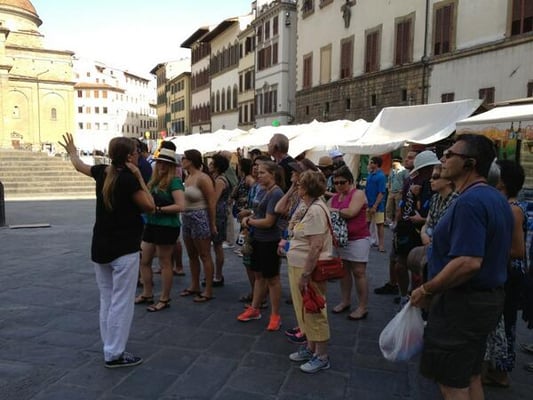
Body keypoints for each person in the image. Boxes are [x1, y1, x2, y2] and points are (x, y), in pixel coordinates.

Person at [410, 134, 513, 400]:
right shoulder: (494, 197)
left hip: (462, 304)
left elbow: (468, 262)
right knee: (470, 374)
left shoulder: (470, 202)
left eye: (450, 154)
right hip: (483, 301)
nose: (443, 159)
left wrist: (427, 289)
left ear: (469, 163)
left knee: (451, 382)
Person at [59, 133, 155, 368]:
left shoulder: (103, 172)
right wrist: (138, 176)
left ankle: (110, 346)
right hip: (124, 249)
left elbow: (80, 166)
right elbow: (150, 206)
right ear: (130, 156)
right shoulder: (128, 179)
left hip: (101, 246)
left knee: (107, 299)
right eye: (135, 152)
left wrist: (72, 151)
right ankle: (114, 353)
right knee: (121, 302)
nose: (138, 154)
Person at [483, 160, 527, 387]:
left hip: (510, 274)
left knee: (507, 322)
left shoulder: (513, 209)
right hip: (504, 270)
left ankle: (501, 373)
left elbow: (518, 250)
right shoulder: (504, 206)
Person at [286, 170, 333, 373]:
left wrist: (305, 274)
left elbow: (315, 246)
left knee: (314, 308)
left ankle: (321, 355)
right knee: (304, 308)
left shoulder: (315, 210)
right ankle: (311, 348)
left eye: (299, 184)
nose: (297, 186)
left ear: (306, 188)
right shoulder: (311, 206)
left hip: (308, 268)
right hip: (301, 265)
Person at [135, 148, 185, 312]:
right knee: (145, 260)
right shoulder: (154, 180)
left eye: (166, 163)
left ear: (171, 166)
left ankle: (164, 298)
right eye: (160, 162)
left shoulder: (175, 182)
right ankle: (147, 293)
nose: (162, 165)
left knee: (164, 263)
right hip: (152, 223)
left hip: (167, 226)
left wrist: (158, 209)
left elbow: (181, 206)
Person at [237, 160, 284, 331]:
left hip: (269, 240)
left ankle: (275, 315)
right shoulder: (263, 189)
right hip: (257, 237)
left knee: (272, 278)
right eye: (258, 172)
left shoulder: (276, 193)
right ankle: (255, 308)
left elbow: (269, 221)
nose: (258, 174)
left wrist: (249, 221)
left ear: (272, 174)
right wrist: (249, 215)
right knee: (258, 276)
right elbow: (258, 212)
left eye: (263, 172)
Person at [328, 166, 372, 320]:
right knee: (344, 271)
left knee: (359, 272)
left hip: (358, 238)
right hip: (341, 240)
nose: (339, 185)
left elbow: (351, 212)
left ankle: (362, 306)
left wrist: (333, 210)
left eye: (342, 182)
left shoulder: (358, 194)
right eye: (336, 183)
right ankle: (345, 301)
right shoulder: (334, 198)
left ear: (350, 181)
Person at [374, 150, 417, 295]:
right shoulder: (408, 178)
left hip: (413, 228)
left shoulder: (417, 180)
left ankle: (409, 293)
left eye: (411, 157)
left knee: (407, 262)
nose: (407, 159)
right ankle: (395, 286)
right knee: (395, 258)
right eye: (407, 157)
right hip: (402, 224)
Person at [180, 149, 217, 303]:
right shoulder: (188, 177)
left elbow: (211, 201)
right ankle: (195, 285)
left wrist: (212, 223)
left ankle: (208, 289)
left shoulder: (203, 178)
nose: (182, 160)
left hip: (200, 216)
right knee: (191, 254)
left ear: (191, 160)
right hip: (187, 217)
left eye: (184, 158)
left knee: (204, 254)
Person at [208, 153, 232, 286]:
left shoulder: (219, 181)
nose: (209, 165)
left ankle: (217, 275)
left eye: (212, 163)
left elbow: (214, 200)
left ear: (217, 167)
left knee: (217, 246)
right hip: (220, 213)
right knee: (217, 246)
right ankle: (216, 274)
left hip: (218, 215)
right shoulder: (219, 178)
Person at [365, 156, 387, 252]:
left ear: (376, 164)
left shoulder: (381, 176)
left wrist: (375, 205)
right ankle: (365, 242)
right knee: (366, 223)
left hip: (377, 205)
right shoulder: (370, 175)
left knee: (379, 224)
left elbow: (381, 192)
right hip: (368, 203)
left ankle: (381, 244)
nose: (369, 164)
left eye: (371, 162)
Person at [385, 157, 407, 226]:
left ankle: (397, 222)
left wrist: (402, 190)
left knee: (398, 208)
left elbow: (407, 181)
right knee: (388, 207)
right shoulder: (392, 170)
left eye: (394, 161)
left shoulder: (404, 170)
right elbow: (389, 179)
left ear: (398, 162)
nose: (392, 163)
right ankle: (389, 221)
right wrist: (389, 187)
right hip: (391, 191)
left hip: (399, 192)